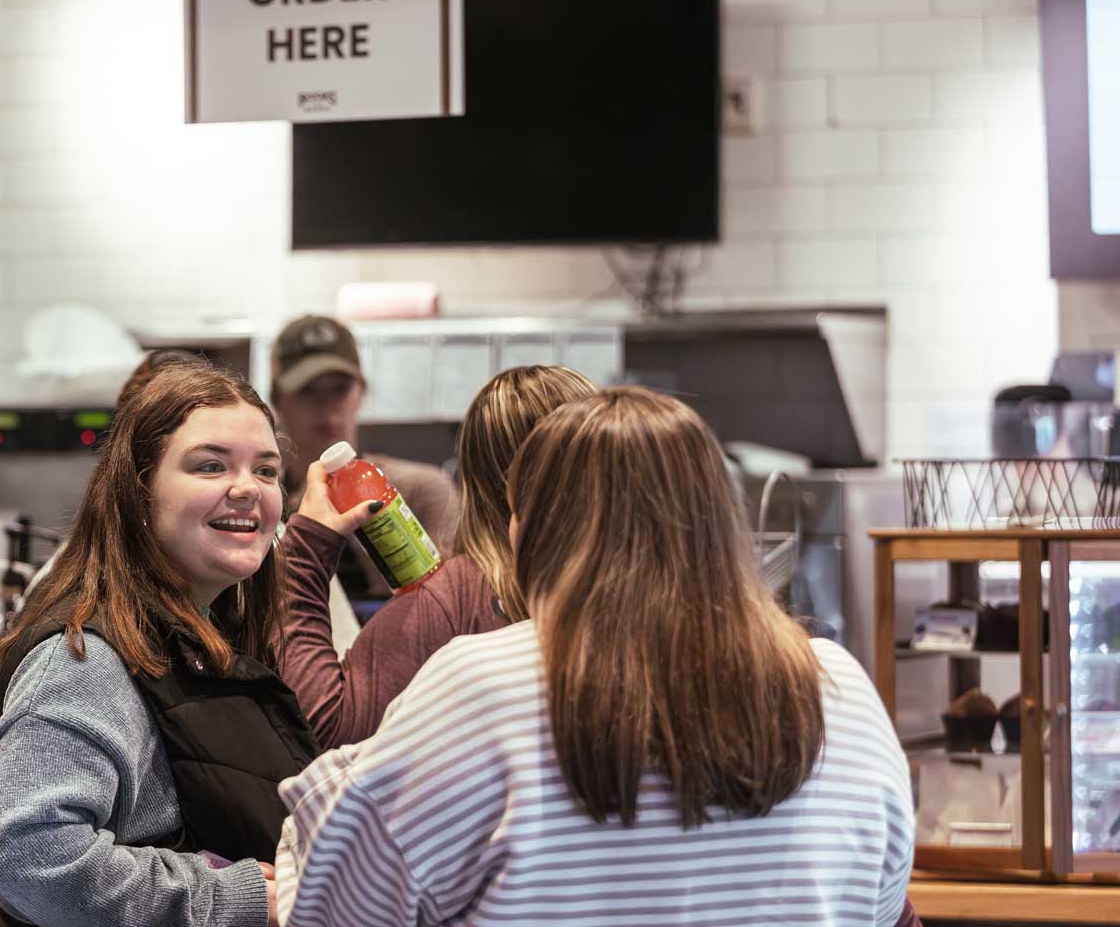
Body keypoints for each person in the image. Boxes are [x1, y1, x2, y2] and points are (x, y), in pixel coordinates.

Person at [274, 387, 916, 926]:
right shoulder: (839, 686)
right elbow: (886, 906)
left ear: (527, 531)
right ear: (722, 521)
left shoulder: (483, 687)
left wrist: (336, 797)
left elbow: (335, 909)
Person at [0, 363, 318, 927]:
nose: (246, 489)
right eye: (210, 466)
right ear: (139, 489)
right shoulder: (81, 659)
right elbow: (22, 853)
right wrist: (229, 897)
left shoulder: (202, 641)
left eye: (266, 470)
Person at [278, 365, 596, 747]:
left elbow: (328, 730)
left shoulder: (452, 601)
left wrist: (305, 552)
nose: (325, 406)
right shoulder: (651, 588)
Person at [269, 315, 459, 600]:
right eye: (306, 390)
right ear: (277, 399)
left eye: (340, 388)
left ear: (362, 392)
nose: (325, 405)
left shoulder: (420, 490)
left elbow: (451, 603)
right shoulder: (265, 503)